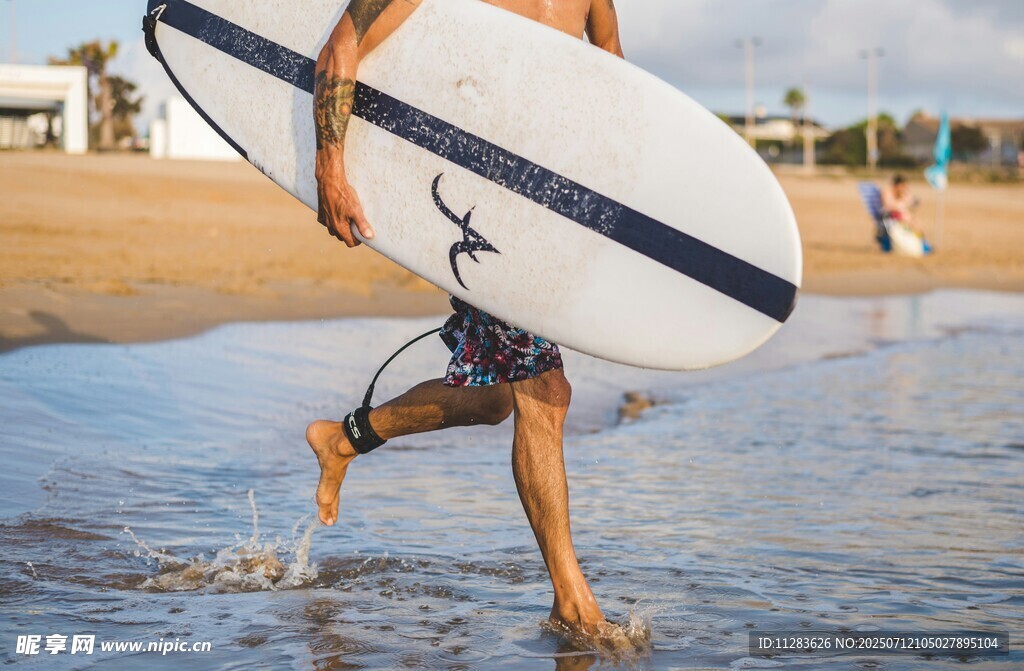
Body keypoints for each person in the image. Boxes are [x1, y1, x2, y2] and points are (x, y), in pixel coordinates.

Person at [307, 0, 624, 636]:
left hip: (541, 211)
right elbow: (341, 46)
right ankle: (570, 596)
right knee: (546, 390)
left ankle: (344, 438)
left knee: (490, 402)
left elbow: (613, 90)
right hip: (470, 207)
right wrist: (330, 169)